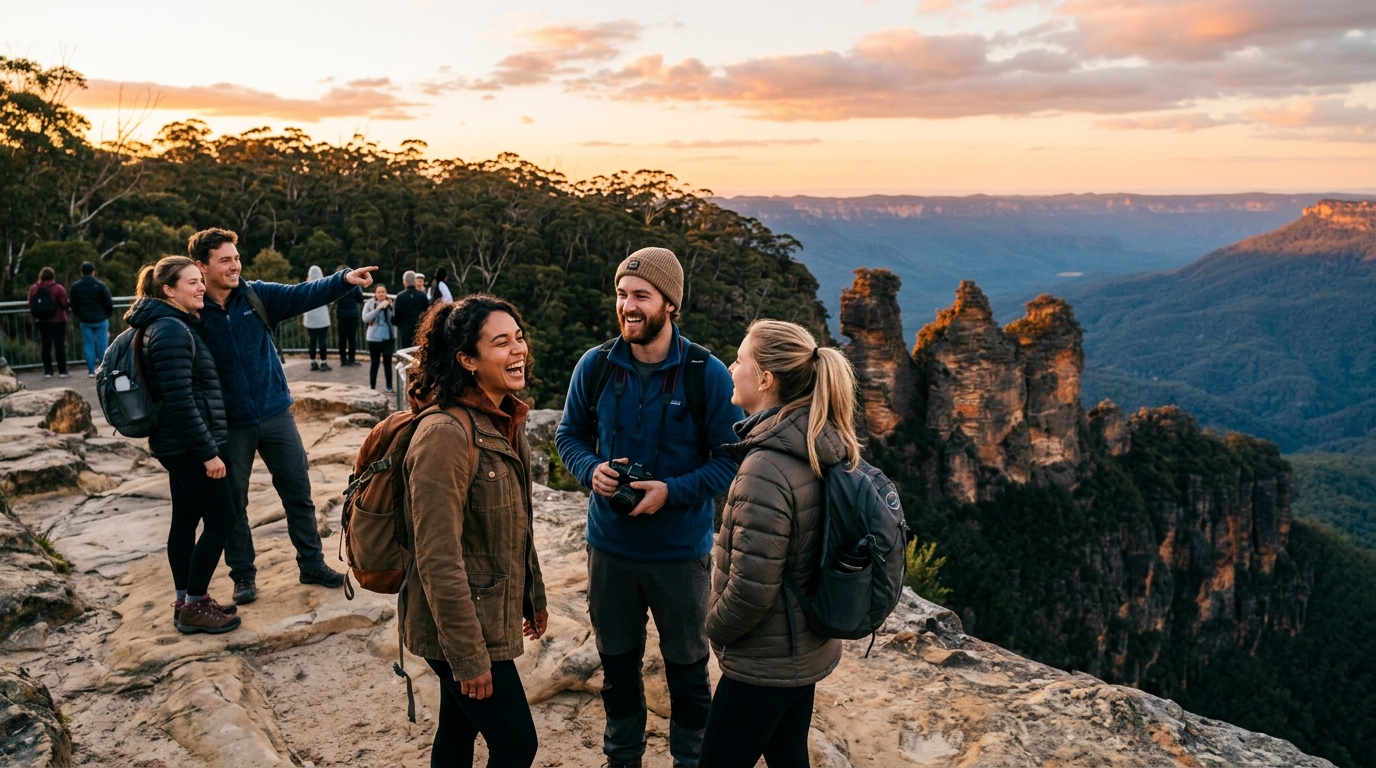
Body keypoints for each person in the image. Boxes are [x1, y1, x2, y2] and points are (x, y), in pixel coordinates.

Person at [555, 247, 743, 768]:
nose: (628, 305)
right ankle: (623, 757)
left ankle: (690, 760)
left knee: (688, 672)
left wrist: (671, 491)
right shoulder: (595, 366)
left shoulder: (707, 373)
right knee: (617, 670)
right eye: (622, 294)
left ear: (670, 304)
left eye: (641, 295)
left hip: (680, 555)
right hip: (610, 550)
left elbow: (728, 462)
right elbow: (568, 436)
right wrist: (590, 470)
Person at [697, 320, 860, 767]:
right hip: (803, 647)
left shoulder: (766, 467)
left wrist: (713, 626)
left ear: (765, 379)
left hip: (763, 662)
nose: (731, 368)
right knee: (789, 756)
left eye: (739, 360)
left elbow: (752, 587)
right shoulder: (819, 440)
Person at [191, 228, 377, 605]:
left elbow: (303, 293)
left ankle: (311, 563)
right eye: (225, 260)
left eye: (236, 258)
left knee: (298, 492)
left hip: (275, 412)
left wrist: (343, 279)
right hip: (230, 424)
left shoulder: (256, 295)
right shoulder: (191, 311)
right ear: (202, 266)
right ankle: (243, 575)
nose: (234, 266)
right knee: (233, 503)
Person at [402, 294, 548, 768]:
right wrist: (468, 657)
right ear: (467, 360)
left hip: (487, 614)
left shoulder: (505, 418)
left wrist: (534, 595)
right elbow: (437, 557)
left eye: (519, 338)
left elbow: (516, 522)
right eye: (500, 343)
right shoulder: (444, 433)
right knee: (516, 745)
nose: (517, 350)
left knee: (459, 727)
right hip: (458, 630)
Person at [125, 256, 240, 634]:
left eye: (199, 281)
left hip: (178, 444)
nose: (200, 287)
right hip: (188, 445)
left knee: (186, 520)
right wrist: (208, 452)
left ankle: (186, 598)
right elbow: (179, 400)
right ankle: (193, 604)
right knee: (223, 519)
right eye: (191, 283)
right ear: (168, 290)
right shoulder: (171, 330)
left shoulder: (166, 324)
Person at [68, 261, 114, 377]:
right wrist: (106, 314)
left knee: (88, 345)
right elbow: (108, 302)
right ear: (93, 272)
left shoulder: (76, 287)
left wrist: (80, 315)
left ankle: (91, 370)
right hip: (101, 319)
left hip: (85, 320)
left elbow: (73, 304)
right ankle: (104, 369)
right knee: (103, 345)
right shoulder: (100, 285)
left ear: (82, 272)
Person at [27, 267, 70, 378]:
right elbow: (64, 304)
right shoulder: (58, 288)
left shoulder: (34, 289)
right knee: (59, 345)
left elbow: (31, 304)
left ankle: (48, 371)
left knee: (45, 346)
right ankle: (62, 370)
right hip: (58, 320)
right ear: (52, 276)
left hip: (42, 321)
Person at [363, 284, 396, 392]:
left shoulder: (391, 304)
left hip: (388, 338)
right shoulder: (369, 304)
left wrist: (390, 307)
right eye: (379, 292)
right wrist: (378, 308)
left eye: (383, 291)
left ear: (386, 293)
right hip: (373, 338)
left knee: (388, 363)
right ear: (375, 294)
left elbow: (395, 319)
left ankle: (389, 387)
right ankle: (372, 387)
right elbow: (365, 318)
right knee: (375, 363)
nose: (381, 294)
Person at [333, 263, 364, 367]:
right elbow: (360, 298)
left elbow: (334, 299)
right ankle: (351, 360)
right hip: (352, 313)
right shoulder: (355, 286)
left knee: (342, 338)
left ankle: (343, 360)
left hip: (340, 314)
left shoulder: (336, 286)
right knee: (352, 338)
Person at [302, 265, 332, 371]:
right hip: (323, 318)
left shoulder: (305, 286)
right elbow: (330, 300)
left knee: (312, 341)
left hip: (310, 318)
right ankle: (323, 362)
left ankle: (313, 362)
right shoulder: (324, 286)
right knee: (322, 341)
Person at [393, 270, 431, 349]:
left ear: (404, 282)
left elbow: (398, 314)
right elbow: (427, 312)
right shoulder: (422, 295)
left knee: (406, 352)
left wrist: (396, 322)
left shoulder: (400, 296)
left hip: (405, 330)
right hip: (419, 329)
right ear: (415, 281)